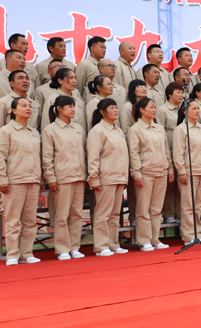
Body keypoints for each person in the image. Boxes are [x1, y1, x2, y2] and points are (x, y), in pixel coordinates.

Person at [0, 97, 42, 266]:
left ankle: (27, 253)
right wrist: (2, 179)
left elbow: (38, 157)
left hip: (33, 180)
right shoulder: (5, 131)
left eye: (30, 106)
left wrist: (40, 177)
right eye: (23, 105)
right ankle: (12, 254)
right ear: (13, 110)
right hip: (15, 181)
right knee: (13, 219)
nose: (28, 108)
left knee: (30, 220)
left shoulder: (34, 132)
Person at [41, 96, 87, 260]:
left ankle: (75, 247)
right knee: (62, 215)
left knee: (77, 214)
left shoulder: (79, 129)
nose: (73, 109)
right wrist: (51, 177)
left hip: (79, 177)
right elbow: (47, 157)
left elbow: (84, 153)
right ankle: (62, 249)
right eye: (69, 106)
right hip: (62, 177)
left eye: (74, 106)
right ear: (59, 109)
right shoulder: (50, 130)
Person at [128, 98, 174, 251]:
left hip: (161, 172)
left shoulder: (159, 128)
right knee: (143, 209)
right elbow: (134, 153)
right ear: (141, 110)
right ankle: (144, 240)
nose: (154, 110)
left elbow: (166, 150)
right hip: (146, 173)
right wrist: (136, 173)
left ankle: (155, 239)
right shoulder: (135, 129)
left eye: (155, 107)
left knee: (156, 209)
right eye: (151, 107)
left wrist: (170, 168)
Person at [87, 98, 130, 256]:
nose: (116, 110)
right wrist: (94, 178)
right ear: (102, 112)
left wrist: (125, 177)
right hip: (106, 177)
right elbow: (93, 156)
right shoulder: (97, 131)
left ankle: (113, 244)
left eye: (116, 107)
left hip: (119, 176)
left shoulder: (118, 130)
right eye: (111, 108)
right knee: (103, 213)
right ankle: (101, 246)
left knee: (115, 213)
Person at [173, 98, 201, 245]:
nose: (197, 111)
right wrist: (181, 171)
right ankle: (189, 236)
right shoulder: (181, 129)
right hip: (189, 171)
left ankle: (198, 233)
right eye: (194, 108)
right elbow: (178, 152)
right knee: (188, 205)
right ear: (185, 111)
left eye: (198, 108)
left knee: (198, 205)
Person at [156, 82, 184, 223]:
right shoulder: (162, 110)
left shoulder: (184, 109)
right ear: (169, 94)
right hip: (169, 149)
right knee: (170, 185)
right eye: (178, 92)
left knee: (182, 185)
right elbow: (160, 131)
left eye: (182, 92)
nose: (181, 95)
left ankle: (180, 214)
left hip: (183, 150)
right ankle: (169, 214)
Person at [0, 70, 41, 141]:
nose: (25, 81)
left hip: (31, 145)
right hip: (11, 145)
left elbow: (38, 128)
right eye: (20, 78)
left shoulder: (36, 105)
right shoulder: (3, 102)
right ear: (11, 83)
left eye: (27, 79)